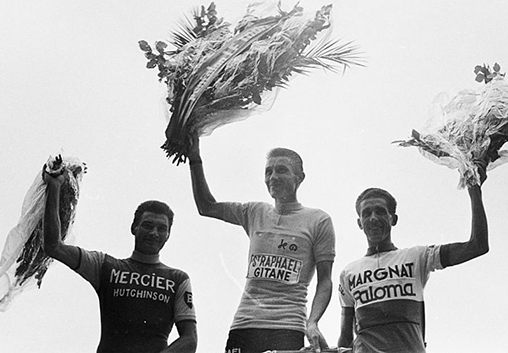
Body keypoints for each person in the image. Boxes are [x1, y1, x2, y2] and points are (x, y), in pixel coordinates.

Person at [187, 138, 335, 353]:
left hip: (287, 326)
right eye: (268, 172)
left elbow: (325, 280)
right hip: (244, 325)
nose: (273, 177)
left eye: (281, 170)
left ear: (299, 178)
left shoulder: (318, 220)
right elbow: (206, 206)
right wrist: (194, 157)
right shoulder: (254, 212)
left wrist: (312, 322)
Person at [337, 164, 489, 352]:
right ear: (359, 223)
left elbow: (477, 246)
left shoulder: (417, 257)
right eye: (366, 213)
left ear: (394, 219)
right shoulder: (348, 273)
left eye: (380, 211)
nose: (373, 218)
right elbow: (345, 338)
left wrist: (474, 188)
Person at [42, 169, 198, 353]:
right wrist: (54, 186)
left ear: (168, 235)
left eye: (161, 228)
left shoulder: (178, 279)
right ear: (134, 227)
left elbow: (190, 340)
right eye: (148, 225)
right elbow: (54, 246)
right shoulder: (105, 266)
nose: (154, 233)